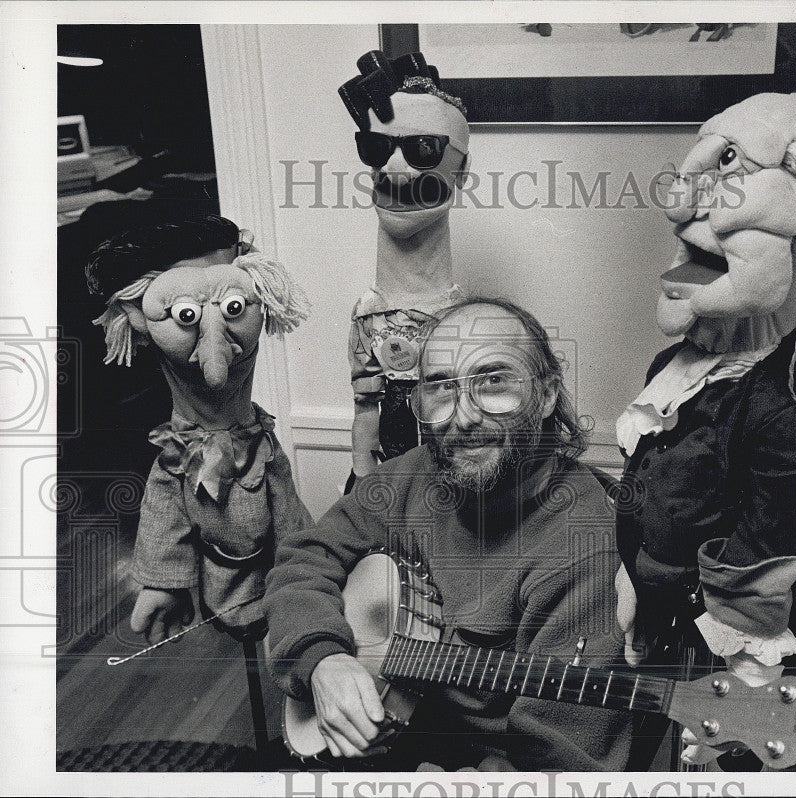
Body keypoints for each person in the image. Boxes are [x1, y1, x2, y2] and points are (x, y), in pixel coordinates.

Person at [614, 93, 796, 769]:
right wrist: (637, 580)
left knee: (743, 757)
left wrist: (747, 669)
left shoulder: (774, 412)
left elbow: (771, 547)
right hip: (677, 622)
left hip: (746, 643)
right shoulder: (673, 371)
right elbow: (647, 482)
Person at [265, 298, 631, 771]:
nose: (464, 417)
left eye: (495, 382)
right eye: (440, 387)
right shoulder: (412, 476)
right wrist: (322, 660)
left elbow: (559, 763)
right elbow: (304, 557)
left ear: (545, 395)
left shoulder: (586, 548)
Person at [87, 214, 313, 640]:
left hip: (277, 580)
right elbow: (164, 508)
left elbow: (287, 511)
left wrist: (307, 569)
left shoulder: (260, 446)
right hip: (218, 582)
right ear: (139, 316)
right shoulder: (178, 454)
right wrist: (162, 581)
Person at [340, 51, 470, 490]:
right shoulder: (366, 314)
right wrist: (362, 482)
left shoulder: (464, 320)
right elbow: (364, 410)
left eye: (423, 149)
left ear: (462, 169)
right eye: (377, 147)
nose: (393, 169)